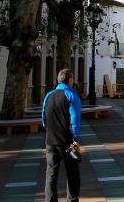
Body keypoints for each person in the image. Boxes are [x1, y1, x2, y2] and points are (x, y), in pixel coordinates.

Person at [42, 68, 82, 202]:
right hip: (69, 142)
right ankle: (72, 199)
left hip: (51, 141)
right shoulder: (72, 95)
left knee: (51, 173)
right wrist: (76, 139)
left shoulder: (48, 95)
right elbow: (74, 119)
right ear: (70, 80)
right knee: (73, 172)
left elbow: (43, 118)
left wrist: (49, 131)